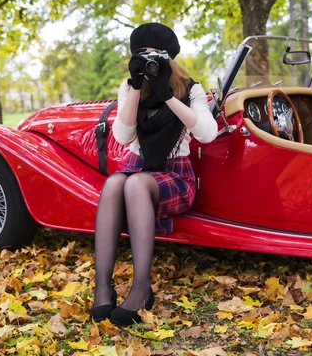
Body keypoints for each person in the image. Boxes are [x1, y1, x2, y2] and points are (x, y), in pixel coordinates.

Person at [90, 23, 218, 326]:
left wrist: (168, 97)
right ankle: (103, 288)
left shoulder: (190, 88)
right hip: (137, 166)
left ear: (169, 57)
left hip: (176, 176)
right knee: (113, 184)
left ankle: (141, 289)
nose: (150, 59)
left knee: (134, 184)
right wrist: (136, 87)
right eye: (142, 54)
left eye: (156, 54)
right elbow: (122, 137)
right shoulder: (131, 86)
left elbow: (208, 133)